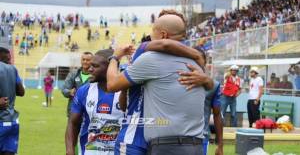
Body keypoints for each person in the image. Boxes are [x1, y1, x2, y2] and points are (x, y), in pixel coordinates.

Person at [107, 12, 213, 155]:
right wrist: (205, 74)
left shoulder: (150, 57)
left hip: (159, 144)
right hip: (194, 145)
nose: (151, 37)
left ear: (163, 34)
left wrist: (115, 57)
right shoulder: (196, 64)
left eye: (153, 32)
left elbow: (112, 84)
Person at [65, 49, 124, 155]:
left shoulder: (125, 92)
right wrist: (70, 150)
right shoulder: (84, 91)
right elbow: (73, 123)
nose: (89, 69)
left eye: (95, 66)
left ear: (110, 68)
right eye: (90, 65)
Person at [177, 48, 223, 155]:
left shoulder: (214, 85)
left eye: (198, 60)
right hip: (176, 137)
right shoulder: (178, 80)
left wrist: (220, 145)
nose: (195, 63)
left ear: (205, 63)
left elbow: (217, 115)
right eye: (192, 60)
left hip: (201, 137)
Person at [0, 51, 25, 155]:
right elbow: (21, 92)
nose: (10, 61)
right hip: (13, 123)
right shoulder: (13, 69)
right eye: (9, 59)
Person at [62, 52, 93, 117]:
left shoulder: (95, 75)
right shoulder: (73, 74)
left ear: (92, 61)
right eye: (83, 59)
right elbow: (64, 89)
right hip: (73, 111)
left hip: (89, 112)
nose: (85, 62)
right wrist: (70, 92)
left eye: (88, 60)